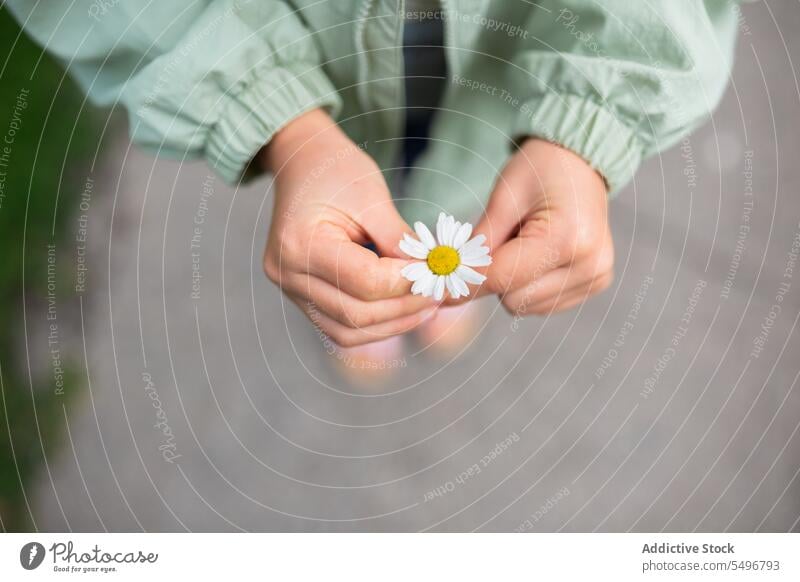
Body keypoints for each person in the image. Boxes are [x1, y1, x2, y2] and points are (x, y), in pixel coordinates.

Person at [7, 0, 740, 381]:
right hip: (311, 39)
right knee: (354, 175)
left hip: (506, 36)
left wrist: (586, 133)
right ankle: (371, 289)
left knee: (472, 160)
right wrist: (286, 127)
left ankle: (421, 279)